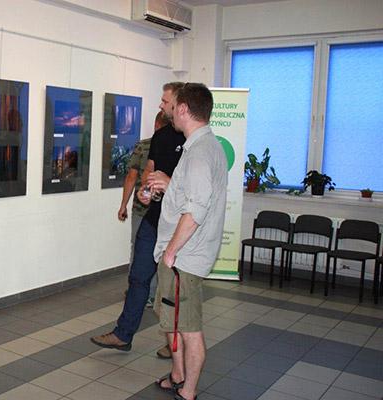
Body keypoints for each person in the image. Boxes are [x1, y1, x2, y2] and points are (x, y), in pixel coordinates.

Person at [90, 82, 186, 355]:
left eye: (164, 100)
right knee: (138, 277)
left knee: (173, 286)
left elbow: (196, 190)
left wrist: (169, 185)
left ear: (178, 103)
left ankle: (175, 344)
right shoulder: (160, 137)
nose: (160, 104)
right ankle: (123, 334)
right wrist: (145, 191)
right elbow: (149, 172)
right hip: (154, 219)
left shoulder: (194, 142)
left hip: (180, 225)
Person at [153, 83, 227, 400]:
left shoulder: (199, 152)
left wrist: (171, 252)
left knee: (189, 327)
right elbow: (192, 196)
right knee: (175, 320)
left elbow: (196, 210)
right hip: (183, 256)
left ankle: (189, 391)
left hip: (185, 258)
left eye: (173, 105)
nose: (168, 110)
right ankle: (178, 374)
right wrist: (168, 189)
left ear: (183, 109)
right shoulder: (202, 146)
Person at [118, 111, 170, 305]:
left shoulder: (143, 145)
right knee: (159, 251)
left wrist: (123, 205)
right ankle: (153, 293)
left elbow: (131, 177)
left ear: (156, 124)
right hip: (163, 210)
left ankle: (136, 292)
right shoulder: (177, 146)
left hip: (141, 208)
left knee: (138, 248)